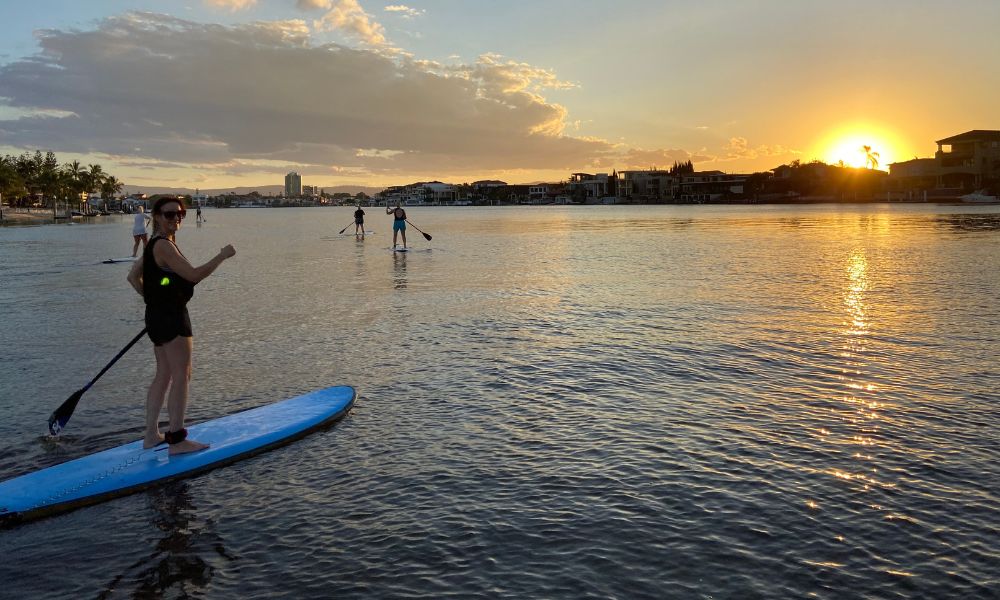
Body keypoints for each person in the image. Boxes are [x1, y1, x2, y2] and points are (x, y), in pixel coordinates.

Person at [127, 196, 236, 455]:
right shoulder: (164, 246)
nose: (175, 219)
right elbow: (194, 275)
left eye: (180, 214)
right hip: (172, 318)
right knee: (182, 375)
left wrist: (153, 300)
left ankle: (152, 436)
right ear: (156, 217)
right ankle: (177, 440)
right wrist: (222, 255)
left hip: (156, 317)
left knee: (164, 375)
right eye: (169, 215)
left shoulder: (153, 244)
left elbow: (132, 277)